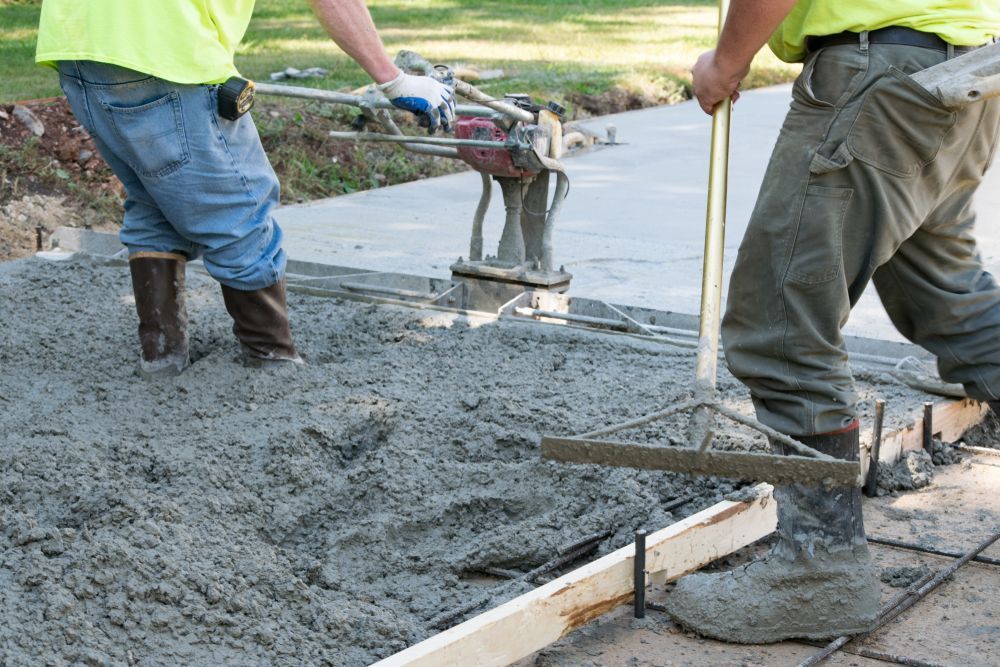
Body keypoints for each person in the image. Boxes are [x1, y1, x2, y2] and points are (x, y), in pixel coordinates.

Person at [667, 0, 1000, 643]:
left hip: (879, 75)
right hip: (960, 69)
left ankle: (818, 574)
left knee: (781, 321)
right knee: (947, 294)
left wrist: (726, 62)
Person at [35, 1, 455, 377]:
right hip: (161, 49)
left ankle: (160, 358)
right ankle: (271, 364)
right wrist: (394, 80)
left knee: (154, 200)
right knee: (240, 206)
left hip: (78, 45)